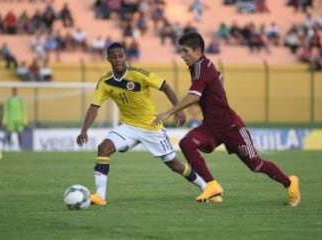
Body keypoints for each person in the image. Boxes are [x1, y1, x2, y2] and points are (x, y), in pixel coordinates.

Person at [151, 32, 301, 207]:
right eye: (181, 51)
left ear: (198, 51)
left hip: (231, 127)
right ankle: (212, 185)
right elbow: (219, 77)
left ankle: (290, 183)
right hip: (211, 127)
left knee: (256, 165)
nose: (182, 56)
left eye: (185, 51)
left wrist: (168, 113)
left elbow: (194, 97)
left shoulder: (202, 67)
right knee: (186, 143)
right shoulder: (202, 66)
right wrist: (216, 94)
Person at [76, 42, 209, 206]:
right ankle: (100, 196)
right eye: (114, 57)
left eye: (121, 56)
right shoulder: (105, 82)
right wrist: (84, 131)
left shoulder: (139, 74)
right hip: (129, 127)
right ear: (108, 59)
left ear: (125, 56)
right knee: (103, 148)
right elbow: (94, 107)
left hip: (151, 126)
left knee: (175, 165)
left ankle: (205, 186)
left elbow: (165, 86)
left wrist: (177, 110)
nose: (118, 60)